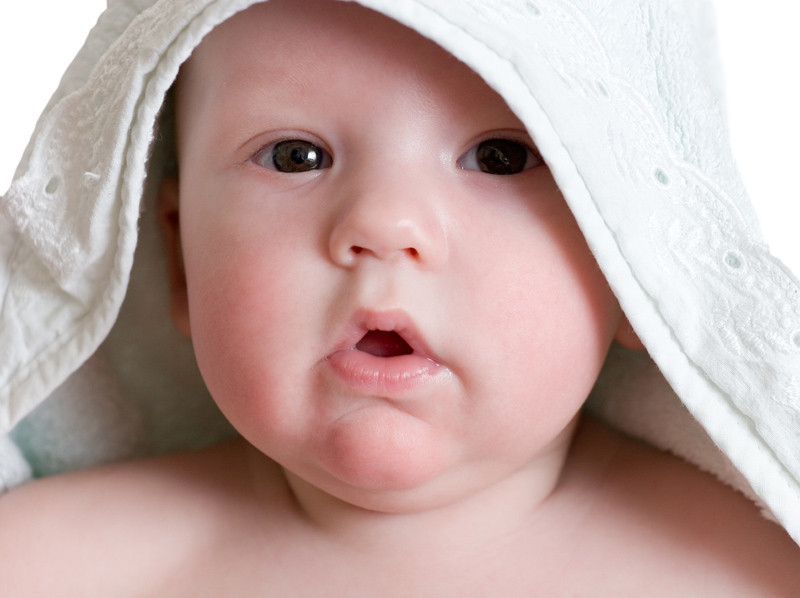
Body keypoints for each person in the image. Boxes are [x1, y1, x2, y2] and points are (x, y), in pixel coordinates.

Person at [0, 0, 798, 595]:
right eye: (295, 155)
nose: (383, 224)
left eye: (499, 156)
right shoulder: (46, 565)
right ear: (178, 258)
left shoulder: (754, 571)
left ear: (636, 260)